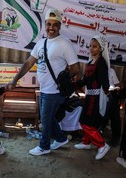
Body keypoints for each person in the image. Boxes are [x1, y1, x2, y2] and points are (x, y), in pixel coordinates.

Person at [7, 8, 80, 156]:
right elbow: (28, 63)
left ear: (59, 26)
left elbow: (76, 68)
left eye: (54, 25)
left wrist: (62, 79)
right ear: (45, 25)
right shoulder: (41, 42)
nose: (51, 28)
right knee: (48, 117)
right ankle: (60, 138)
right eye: (48, 24)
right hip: (44, 88)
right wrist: (15, 79)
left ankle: (44, 146)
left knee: (45, 120)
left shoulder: (64, 43)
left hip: (54, 91)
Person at [74, 36, 110, 160]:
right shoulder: (90, 62)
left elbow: (104, 82)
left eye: (94, 46)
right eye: (90, 46)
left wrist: (107, 95)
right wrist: (75, 85)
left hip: (96, 97)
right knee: (86, 120)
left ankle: (102, 145)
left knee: (86, 122)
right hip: (90, 96)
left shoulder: (101, 64)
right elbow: (86, 79)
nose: (91, 48)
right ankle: (86, 142)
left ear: (101, 48)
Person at [101, 67, 121, 147]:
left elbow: (117, 84)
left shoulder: (111, 70)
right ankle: (98, 133)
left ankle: (116, 138)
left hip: (111, 93)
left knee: (114, 115)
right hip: (101, 93)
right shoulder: (96, 69)